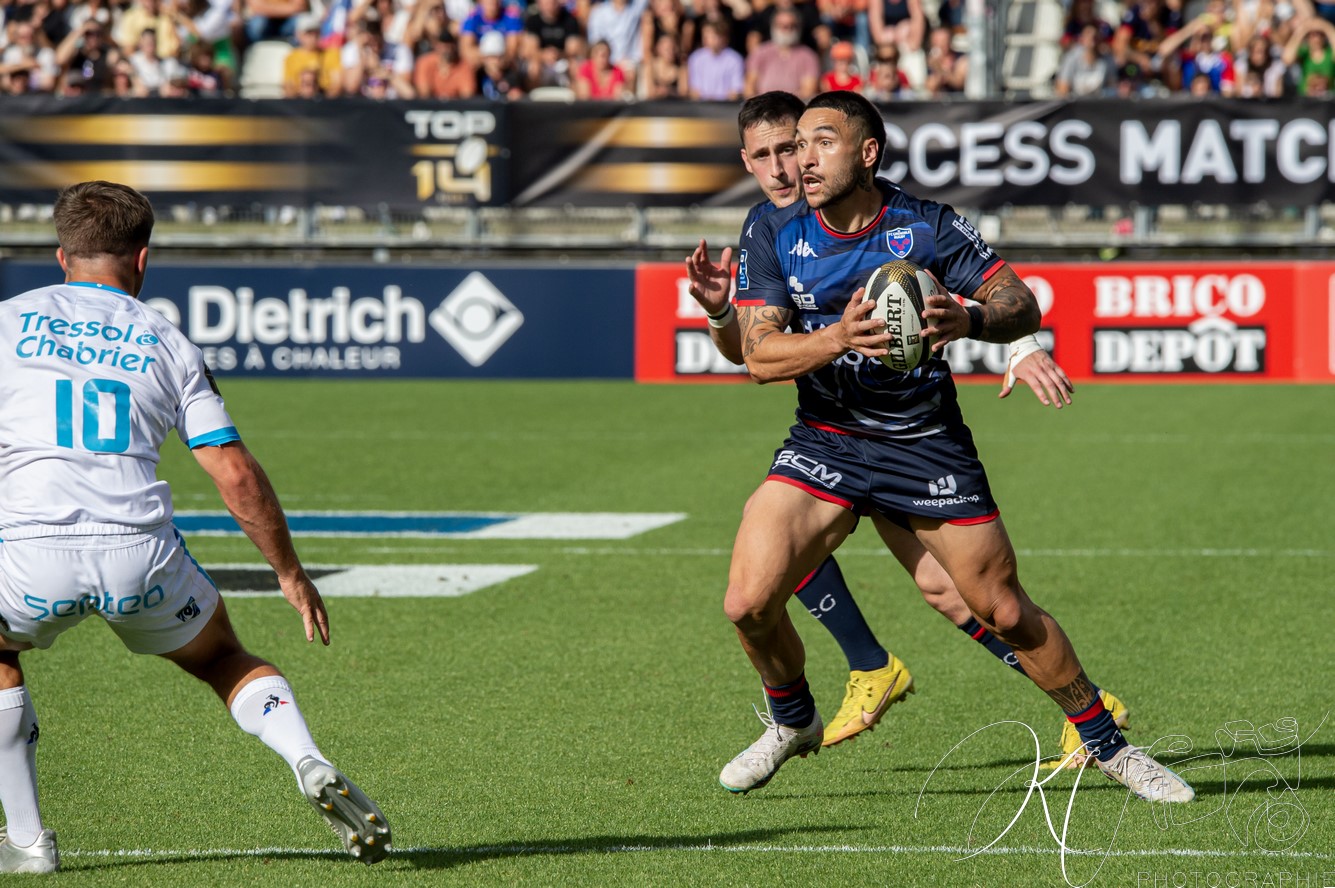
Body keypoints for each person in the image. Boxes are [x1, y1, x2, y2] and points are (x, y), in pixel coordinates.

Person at [712, 91, 1194, 804]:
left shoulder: (925, 226)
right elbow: (757, 354)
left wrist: (968, 317)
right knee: (748, 602)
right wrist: (835, 337)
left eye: (819, 142)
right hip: (827, 442)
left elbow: (1019, 301)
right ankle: (792, 720)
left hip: (923, 445)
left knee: (998, 607)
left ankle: (1106, 742)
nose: (801, 160)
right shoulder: (773, 228)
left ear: (866, 152)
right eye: (793, 147)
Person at [0, 181, 391, 873]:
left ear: (62, 257)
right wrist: (289, 574)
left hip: (26, 551)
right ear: (143, 259)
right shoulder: (169, 340)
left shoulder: (7, 322)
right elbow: (234, 473)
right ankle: (307, 758)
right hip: (138, 553)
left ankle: (30, 844)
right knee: (220, 660)